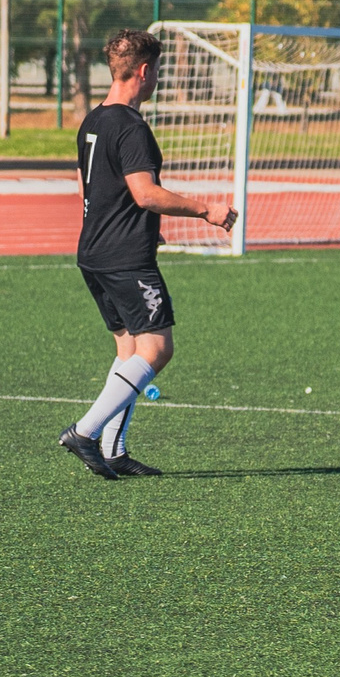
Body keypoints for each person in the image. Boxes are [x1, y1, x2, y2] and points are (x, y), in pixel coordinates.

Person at [58, 28, 236, 479]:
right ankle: (85, 432)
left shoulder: (93, 120)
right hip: (124, 258)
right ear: (143, 70)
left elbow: (87, 187)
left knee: (129, 348)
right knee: (156, 348)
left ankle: (114, 450)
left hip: (94, 250)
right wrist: (207, 210)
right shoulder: (131, 127)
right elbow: (145, 193)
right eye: (157, 69)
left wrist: (143, 229)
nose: (157, 77)